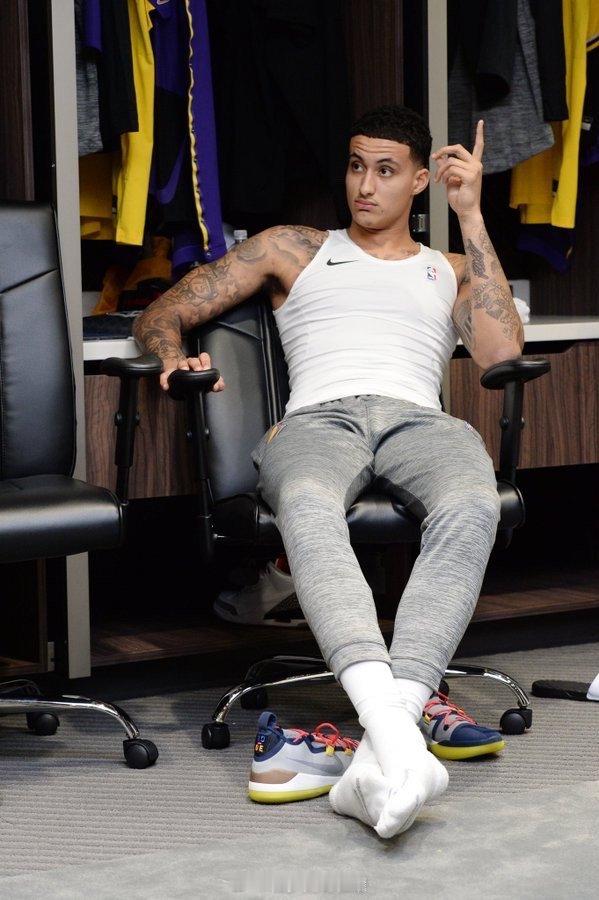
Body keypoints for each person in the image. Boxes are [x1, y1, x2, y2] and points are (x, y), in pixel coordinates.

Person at [133, 105, 524, 839]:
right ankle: (399, 732)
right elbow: (165, 310)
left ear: (419, 181)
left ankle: (382, 738)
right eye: (355, 166)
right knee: (307, 503)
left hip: (420, 420)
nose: (365, 186)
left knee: (474, 502)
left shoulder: (449, 268)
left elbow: (501, 353)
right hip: (317, 421)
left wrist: (471, 215)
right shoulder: (294, 247)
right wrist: (170, 355)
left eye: (385, 171)